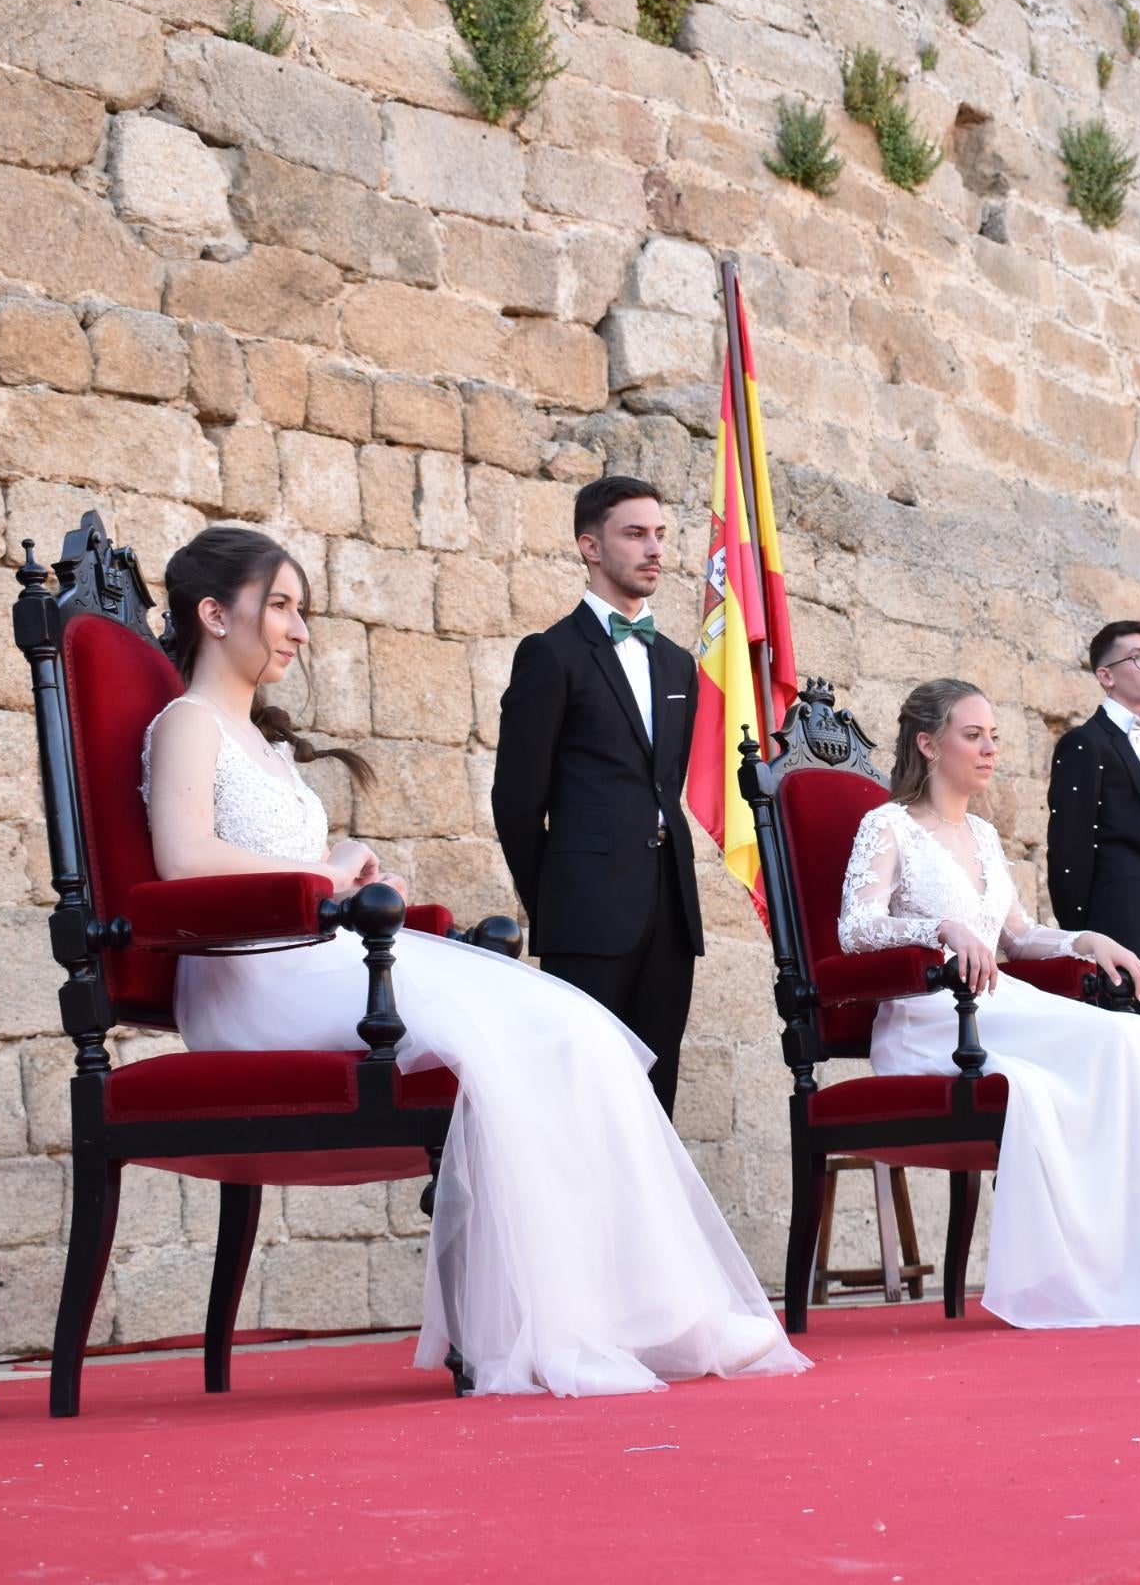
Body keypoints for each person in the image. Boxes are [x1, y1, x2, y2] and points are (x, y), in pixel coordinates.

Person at [142, 526, 805, 1397]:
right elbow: (183, 861)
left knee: (574, 1033)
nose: (301, 630)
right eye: (283, 607)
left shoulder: (259, 741)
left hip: (315, 959)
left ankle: (638, 1310)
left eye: (301, 609)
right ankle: (580, 1322)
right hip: (252, 981)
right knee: (540, 1028)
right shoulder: (188, 722)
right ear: (214, 614)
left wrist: (351, 867)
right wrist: (323, 872)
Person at [837, 679, 1140, 1328]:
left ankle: (1138, 1264)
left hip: (999, 1004)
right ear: (927, 743)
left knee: (1136, 1039)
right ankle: (1074, 1275)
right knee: (1065, 1070)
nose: (991, 748)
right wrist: (939, 929)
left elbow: (1019, 938)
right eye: (974, 735)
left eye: (993, 735)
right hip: (931, 1019)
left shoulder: (984, 836)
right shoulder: (888, 825)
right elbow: (855, 929)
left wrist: (1087, 939)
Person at [491, 476, 701, 1117]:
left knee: (653, 1101)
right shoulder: (550, 656)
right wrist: (557, 900)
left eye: (659, 534)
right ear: (590, 546)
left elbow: (665, 785)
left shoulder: (677, 664)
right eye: (634, 534)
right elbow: (516, 801)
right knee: (580, 1099)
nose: (653, 549)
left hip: (670, 908)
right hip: (586, 913)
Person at [1047, 621, 1140, 1105]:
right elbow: (1067, 854)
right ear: (1105, 675)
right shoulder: (1083, 745)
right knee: (1127, 1092)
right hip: (1117, 939)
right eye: (1139, 657)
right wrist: (1087, 940)